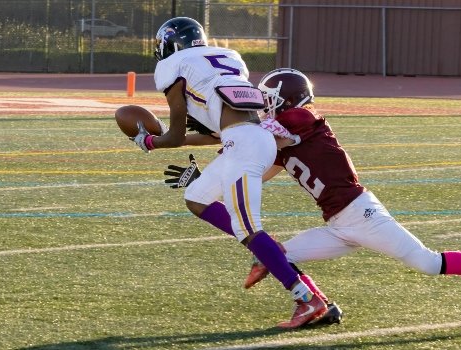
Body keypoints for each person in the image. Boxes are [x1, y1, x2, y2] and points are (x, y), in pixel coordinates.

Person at [166, 68, 461, 313]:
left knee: (428, 263)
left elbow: (241, 138)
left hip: (362, 215)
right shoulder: (284, 141)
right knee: (276, 255)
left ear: (284, 98)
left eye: (268, 99)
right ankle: (320, 307)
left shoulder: (302, 118)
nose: (261, 107)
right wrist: (205, 182)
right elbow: (252, 171)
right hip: (336, 224)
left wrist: (193, 139)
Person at [132, 18, 328, 329]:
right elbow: (217, 133)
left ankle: (307, 297)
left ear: (169, 44)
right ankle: (269, 249)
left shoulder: (172, 68)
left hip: (243, 145)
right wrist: (160, 141)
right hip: (252, 137)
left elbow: (175, 135)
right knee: (196, 197)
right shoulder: (229, 59)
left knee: (248, 229)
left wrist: (147, 141)